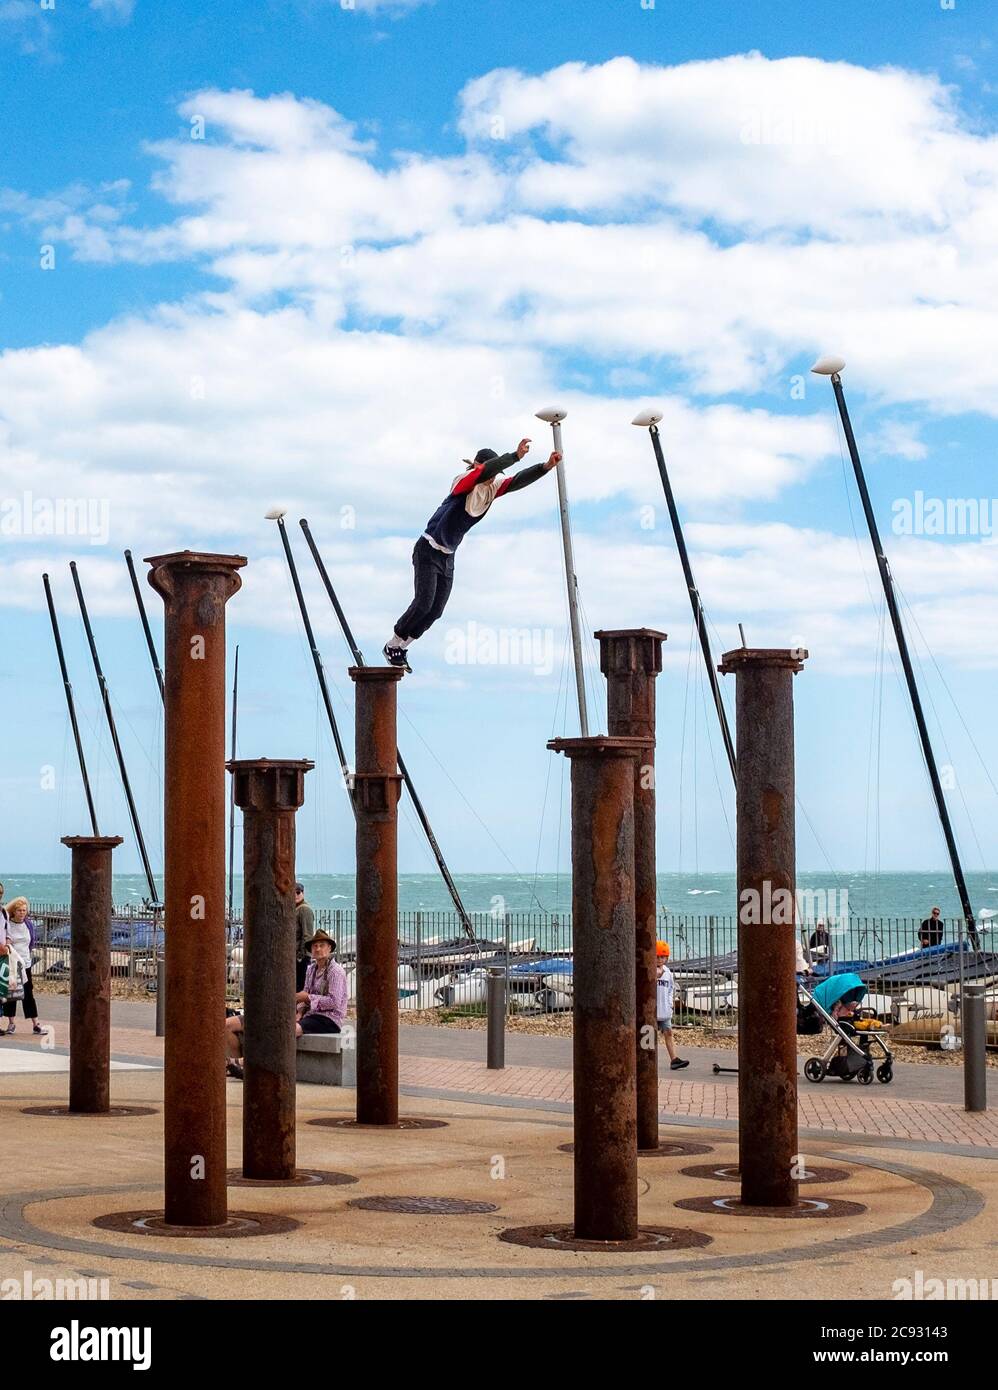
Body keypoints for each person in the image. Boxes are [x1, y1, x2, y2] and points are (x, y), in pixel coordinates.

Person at [383, 437, 562, 672]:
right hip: (428, 549)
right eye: (490, 473)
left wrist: (545, 467)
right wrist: (515, 456)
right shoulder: (463, 483)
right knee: (423, 603)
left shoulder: (491, 489)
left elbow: (516, 481)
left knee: (436, 610)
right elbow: (485, 471)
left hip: (447, 556)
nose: (493, 479)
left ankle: (403, 646)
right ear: (479, 467)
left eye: (495, 475)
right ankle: (392, 645)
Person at [0, 897, 46, 1036]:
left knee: (28, 993)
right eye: (19, 910)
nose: (22, 913)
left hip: (25, 963)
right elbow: (5, 939)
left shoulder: (28, 924)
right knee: (11, 993)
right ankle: (11, 1023)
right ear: (14, 912)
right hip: (12, 963)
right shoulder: (8, 924)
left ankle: (35, 1024)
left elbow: (31, 941)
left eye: (24, 911)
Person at [296, 930, 348, 1035]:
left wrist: (308, 997)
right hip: (311, 1016)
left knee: (291, 1030)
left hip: (330, 1019)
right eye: (315, 946)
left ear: (329, 948)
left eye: (322, 945)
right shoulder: (311, 970)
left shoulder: (335, 971)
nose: (318, 949)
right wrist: (300, 1013)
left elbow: (334, 1002)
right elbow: (305, 993)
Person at [655, 941, 689, 1071]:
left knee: (668, 1033)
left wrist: (670, 1006)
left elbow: (670, 990)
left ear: (666, 958)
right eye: (657, 957)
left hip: (664, 1010)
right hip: (653, 1009)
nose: (659, 960)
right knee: (650, 1035)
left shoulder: (668, 973)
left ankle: (674, 1059)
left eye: (662, 957)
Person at [294, 884, 314, 993]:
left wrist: (301, 956)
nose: (296, 895)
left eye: (298, 892)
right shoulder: (296, 909)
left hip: (301, 957)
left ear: (303, 893)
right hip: (296, 956)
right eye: (293, 892)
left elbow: (307, 935)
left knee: (300, 987)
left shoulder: (304, 910)